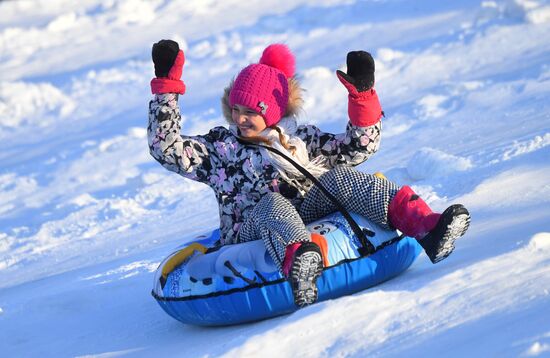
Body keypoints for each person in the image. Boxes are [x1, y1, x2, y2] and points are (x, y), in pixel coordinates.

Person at [147, 40, 471, 307]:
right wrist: (166, 89)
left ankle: (426, 227)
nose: (240, 119)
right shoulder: (223, 149)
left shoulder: (300, 140)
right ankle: (301, 264)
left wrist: (362, 97)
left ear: (273, 112)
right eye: (236, 110)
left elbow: (358, 148)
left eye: (250, 112)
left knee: (340, 176)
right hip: (252, 229)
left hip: (306, 213)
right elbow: (168, 150)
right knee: (272, 202)